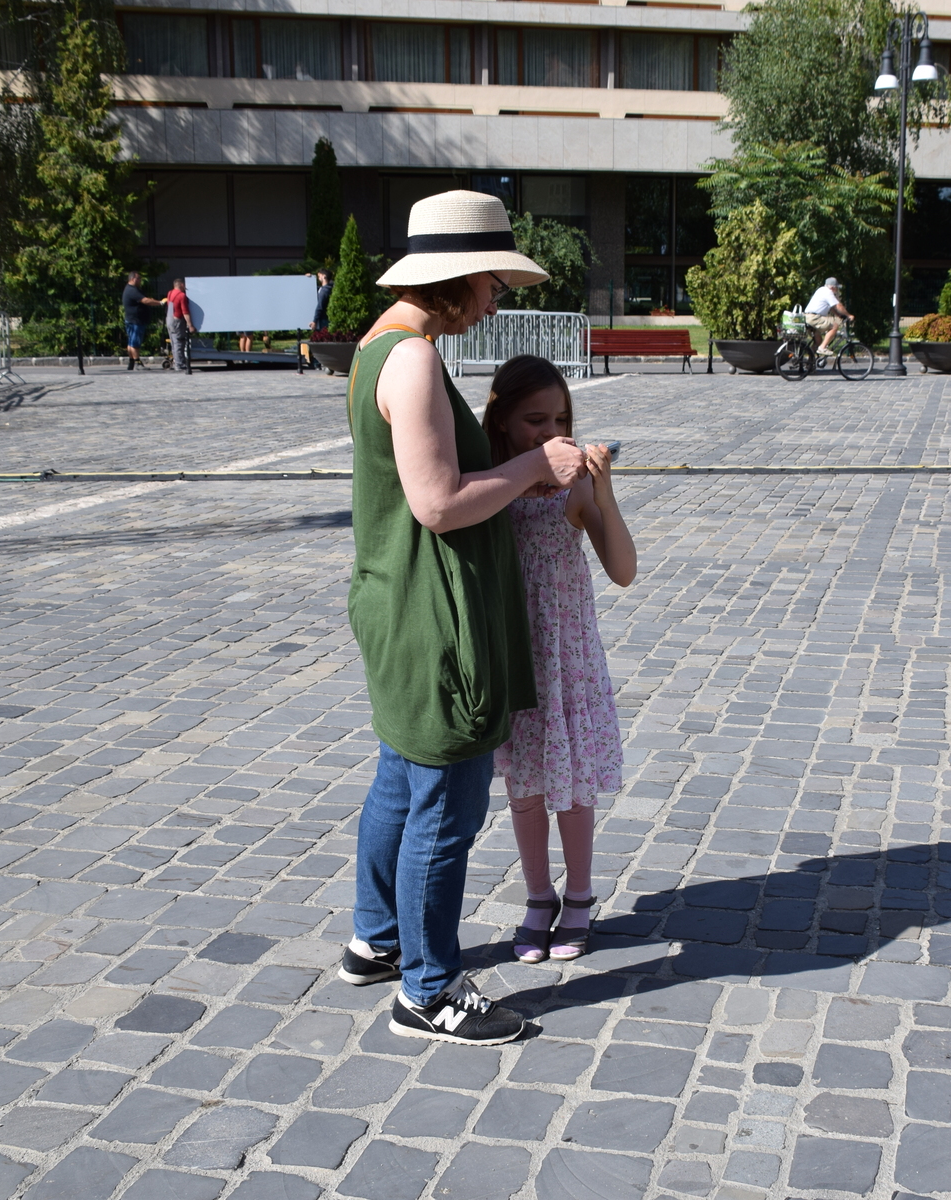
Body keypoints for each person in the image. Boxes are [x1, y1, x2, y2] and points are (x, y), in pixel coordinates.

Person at [339, 190, 586, 1047]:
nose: (496, 301)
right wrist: (534, 464)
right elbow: (439, 504)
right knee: (445, 803)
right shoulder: (411, 360)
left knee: (400, 781)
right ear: (458, 276)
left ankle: (376, 939)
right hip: (434, 616)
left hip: (397, 598)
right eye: (493, 284)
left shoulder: (379, 346)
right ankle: (429, 990)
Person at [480, 356, 635, 965]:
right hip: (513, 653)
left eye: (561, 420)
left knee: (570, 783)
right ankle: (538, 897)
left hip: (565, 654)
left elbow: (622, 570)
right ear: (501, 421)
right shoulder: (487, 479)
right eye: (534, 420)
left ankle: (579, 896)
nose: (550, 432)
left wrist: (603, 493)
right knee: (523, 782)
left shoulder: (571, 489)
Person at [122, 272, 164, 370]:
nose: (140, 280)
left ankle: (131, 362)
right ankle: (137, 363)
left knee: (131, 341)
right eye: (139, 278)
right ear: (133, 279)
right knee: (135, 342)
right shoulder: (132, 290)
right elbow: (145, 301)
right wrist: (160, 302)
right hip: (136, 320)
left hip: (131, 319)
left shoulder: (129, 289)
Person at [805, 277, 853, 356]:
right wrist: (849, 315)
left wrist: (838, 315)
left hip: (808, 317)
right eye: (837, 287)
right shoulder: (828, 292)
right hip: (815, 318)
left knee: (818, 341)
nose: (837, 289)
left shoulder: (821, 290)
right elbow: (838, 306)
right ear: (832, 287)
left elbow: (830, 307)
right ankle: (822, 348)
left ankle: (810, 360)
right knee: (834, 326)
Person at [166, 277, 195, 374]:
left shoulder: (170, 293)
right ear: (182, 285)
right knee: (179, 342)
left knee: (174, 342)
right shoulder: (181, 295)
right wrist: (190, 325)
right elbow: (185, 312)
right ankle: (179, 364)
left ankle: (177, 362)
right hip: (177, 321)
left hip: (169, 319)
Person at [313, 268, 332, 333]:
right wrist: (308, 279)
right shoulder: (324, 288)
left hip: (323, 319)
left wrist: (314, 321)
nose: (318, 276)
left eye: (320, 275)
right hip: (324, 318)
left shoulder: (325, 291)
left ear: (324, 276)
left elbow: (320, 306)